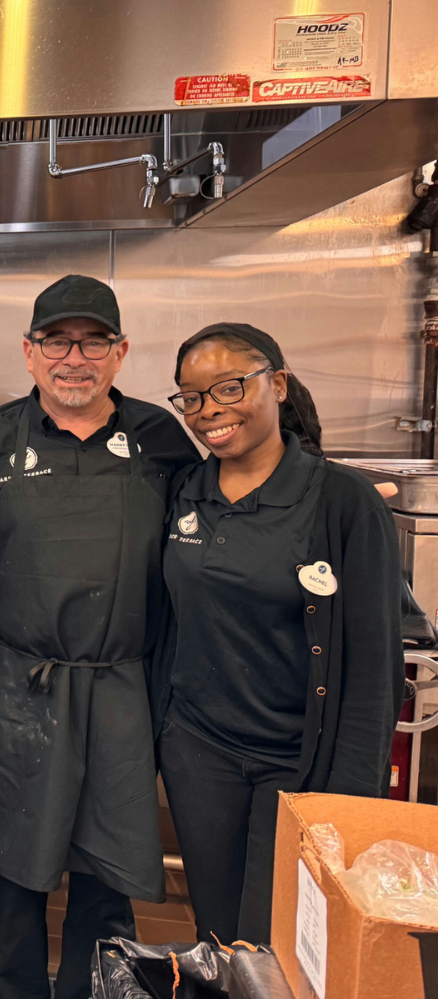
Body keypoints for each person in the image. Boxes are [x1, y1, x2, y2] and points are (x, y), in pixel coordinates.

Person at [0, 275, 200, 999]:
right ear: (29, 354)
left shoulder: (161, 437)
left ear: (121, 352)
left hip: (120, 686)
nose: (76, 357)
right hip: (14, 688)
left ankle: (94, 991)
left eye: (94, 341)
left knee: (105, 874)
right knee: (16, 875)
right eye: (57, 341)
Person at [156, 323, 403, 944]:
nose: (209, 411)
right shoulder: (188, 491)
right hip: (198, 756)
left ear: (279, 385)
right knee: (217, 931)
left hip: (299, 764)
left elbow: (375, 667)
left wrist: (348, 798)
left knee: (285, 939)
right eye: (191, 396)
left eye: (229, 387)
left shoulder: (341, 501)